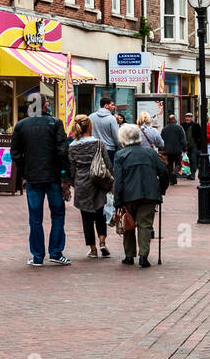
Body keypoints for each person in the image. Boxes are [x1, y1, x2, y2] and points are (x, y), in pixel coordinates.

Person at [11, 91, 71, 267]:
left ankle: (37, 256)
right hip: (53, 176)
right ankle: (56, 252)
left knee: (35, 217)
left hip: (33, 178)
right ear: (45, 105)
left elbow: (15, 152)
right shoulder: (55, 123)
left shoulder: (21, 125)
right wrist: (65, 176)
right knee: (58, 214)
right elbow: (62, 151)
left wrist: (25, 170)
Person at [111, 122, 169, 267]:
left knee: (128, 223)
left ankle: (129, 256)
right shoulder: (150, 152)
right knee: (145, 225)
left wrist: (117, 200)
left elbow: (118, 180)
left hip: (129, 195)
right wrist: (161, 189)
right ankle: (143, 256)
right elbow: (164, 171)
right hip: (150, 194)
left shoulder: (120, 155)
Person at [67, 114, 109, 259]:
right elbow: (107, 163)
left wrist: (73, 183)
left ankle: (93, 248)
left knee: (86, 217)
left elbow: (71, 168)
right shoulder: (98, 143)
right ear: (90, 126)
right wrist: (111, 181)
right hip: (98, 181)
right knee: (100, 213)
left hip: (82, 183)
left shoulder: (72, 147)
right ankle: (102, 241)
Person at [91, 96, 121, 161]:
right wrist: (121, 147)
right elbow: (116, 137)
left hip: (94, 148)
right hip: (109, 149)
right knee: (108, 170)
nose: (114, 107)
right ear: (106, 106)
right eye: (112, 105)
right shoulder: (112, 118)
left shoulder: (91, 117)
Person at [160, 115, 186, 186]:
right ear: (174, 120)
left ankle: (172, 181)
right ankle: (174, 173)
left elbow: (161, 140)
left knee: (169, 166)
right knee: (178, 164)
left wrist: (162, 149)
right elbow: (183, 139)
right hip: (177, 150)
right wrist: (184, 148)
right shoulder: (179, 128)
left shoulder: (164, 129)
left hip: (167, 150)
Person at [182, 111, 204, 179]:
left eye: (189, 117)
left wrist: (200, 145)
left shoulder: (196, 125)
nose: (187, 118)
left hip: (194, 145)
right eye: (186, 117)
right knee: (185, 160)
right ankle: (186, 173)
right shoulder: (182, 125)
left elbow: (200, 135)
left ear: (192, 118)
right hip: (185, 145)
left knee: (193, 160)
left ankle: (193, 174)